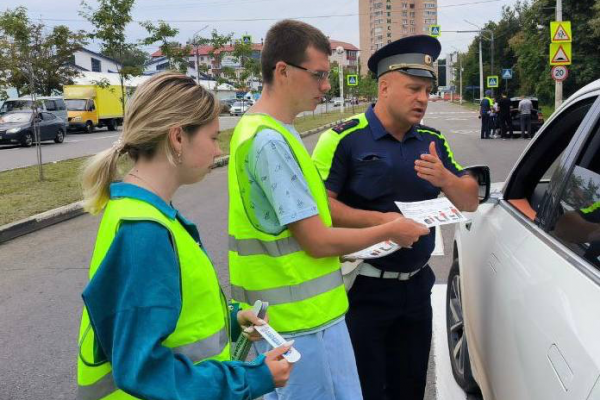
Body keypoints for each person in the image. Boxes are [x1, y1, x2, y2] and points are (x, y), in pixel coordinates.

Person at [227, 20, 430, 400]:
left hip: (293, 320)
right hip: (301, 325)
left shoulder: (265, 130)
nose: (325, 86)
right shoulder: (269, 141)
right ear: (283, 71)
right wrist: (390, 230)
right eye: (318, 75)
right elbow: (316, 241)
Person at [77, 72, 294, 400]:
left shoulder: (139, 212)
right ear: (178, 138)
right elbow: (143, 368)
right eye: (212, 137)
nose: (218, 151)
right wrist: (252, 377)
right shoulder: (145, 232)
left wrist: (234, 318)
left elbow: (169, 318)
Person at [312, 35, 480, 400]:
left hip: (416, 287)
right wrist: (384, 226)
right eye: (414, 88)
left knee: (410, 388)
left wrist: (445, 178)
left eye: (427, 90)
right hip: (362, 289)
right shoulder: (343, 138)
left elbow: (469, 199)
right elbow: (321, 207)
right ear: (384, 86)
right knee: (365, 390)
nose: (423, 99)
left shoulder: (431, 140)